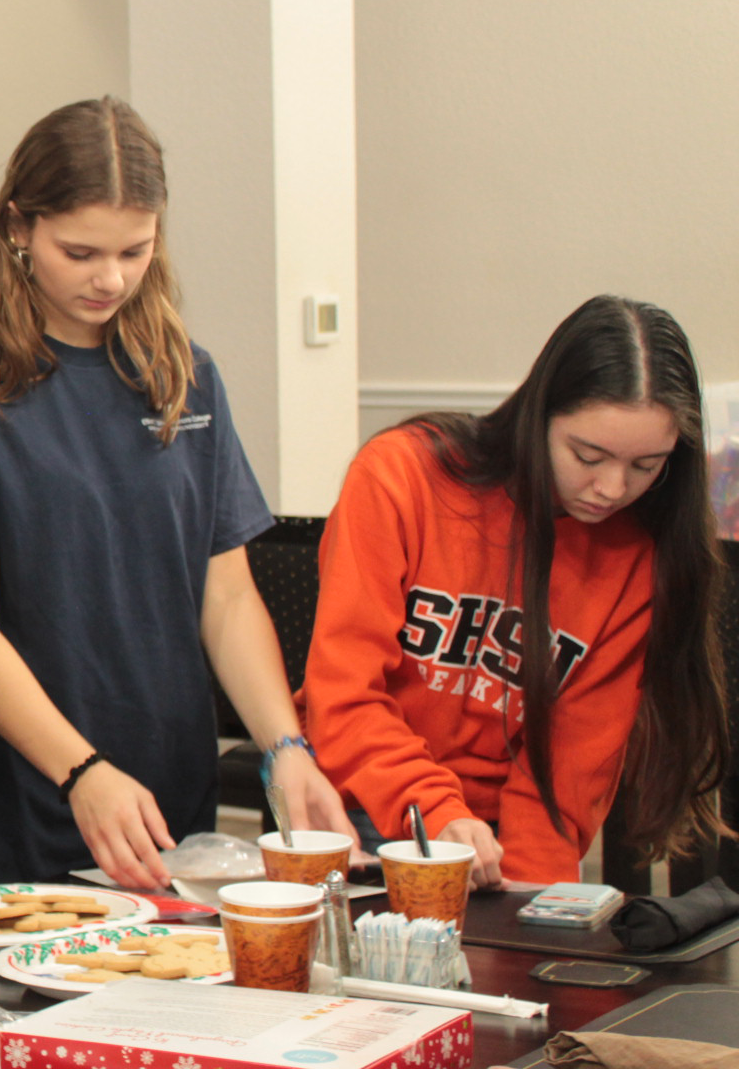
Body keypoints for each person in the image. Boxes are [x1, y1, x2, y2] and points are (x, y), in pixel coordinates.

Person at [0, 96, 353, 894]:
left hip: (166, 815)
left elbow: (225, 596)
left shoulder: (183, 375)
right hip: (16, 819)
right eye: (80, 251)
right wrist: (80, 770)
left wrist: (284, 750)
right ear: (18, 226)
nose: (109, 278)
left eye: (134, 251)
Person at [302, 296, 727, 888]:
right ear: (538, 415)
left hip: (504, 841)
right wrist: (437, 812)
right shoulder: (402, 474)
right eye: (587, 455)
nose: (611, 488)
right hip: (360, 814)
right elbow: (343, 696)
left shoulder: (639, 555)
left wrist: (532, 910)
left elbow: (568, 777)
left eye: (646, 466)